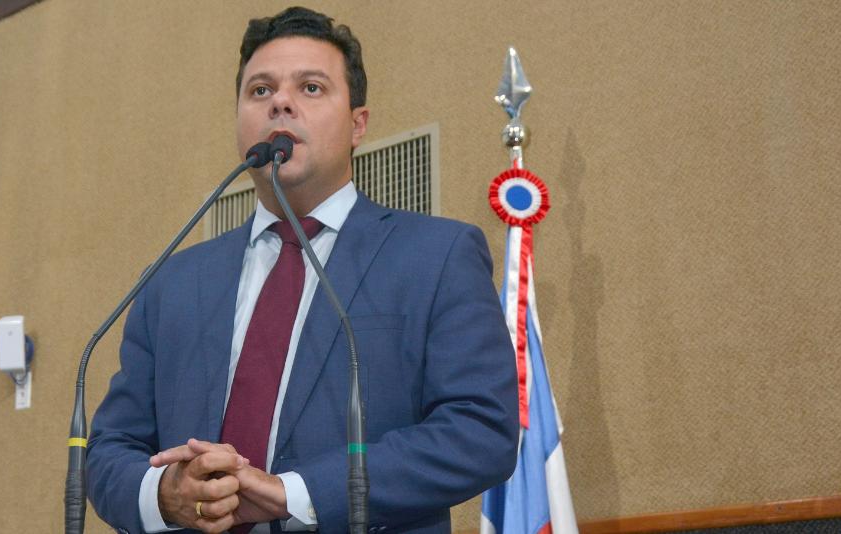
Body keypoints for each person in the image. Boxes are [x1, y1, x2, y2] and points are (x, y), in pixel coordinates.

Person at [87, 7, 518, 534]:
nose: (280, 103)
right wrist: (165, 495)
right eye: (260, 90)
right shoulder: (172, 282)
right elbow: (109, 450)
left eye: (311, 88)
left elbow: (480, 430)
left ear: (358, 124)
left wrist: (294, 493)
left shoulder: (436, 256)